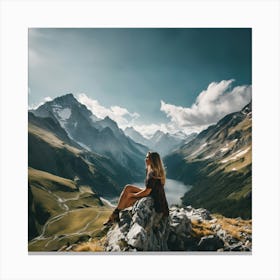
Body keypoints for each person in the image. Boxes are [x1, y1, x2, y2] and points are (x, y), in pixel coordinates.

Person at [103, 151, 169, 226]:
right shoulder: (154, 170)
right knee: (128, 188)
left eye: (147, 157)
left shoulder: (152, 174)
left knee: (128, 199)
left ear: (152, 160)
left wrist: (132, 195)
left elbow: (147, 192)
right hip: (154, 194)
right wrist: (133, 194)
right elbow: (150, 189)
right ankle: (116, 213)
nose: (145, 159)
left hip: (155, 200)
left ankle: (115, 215)